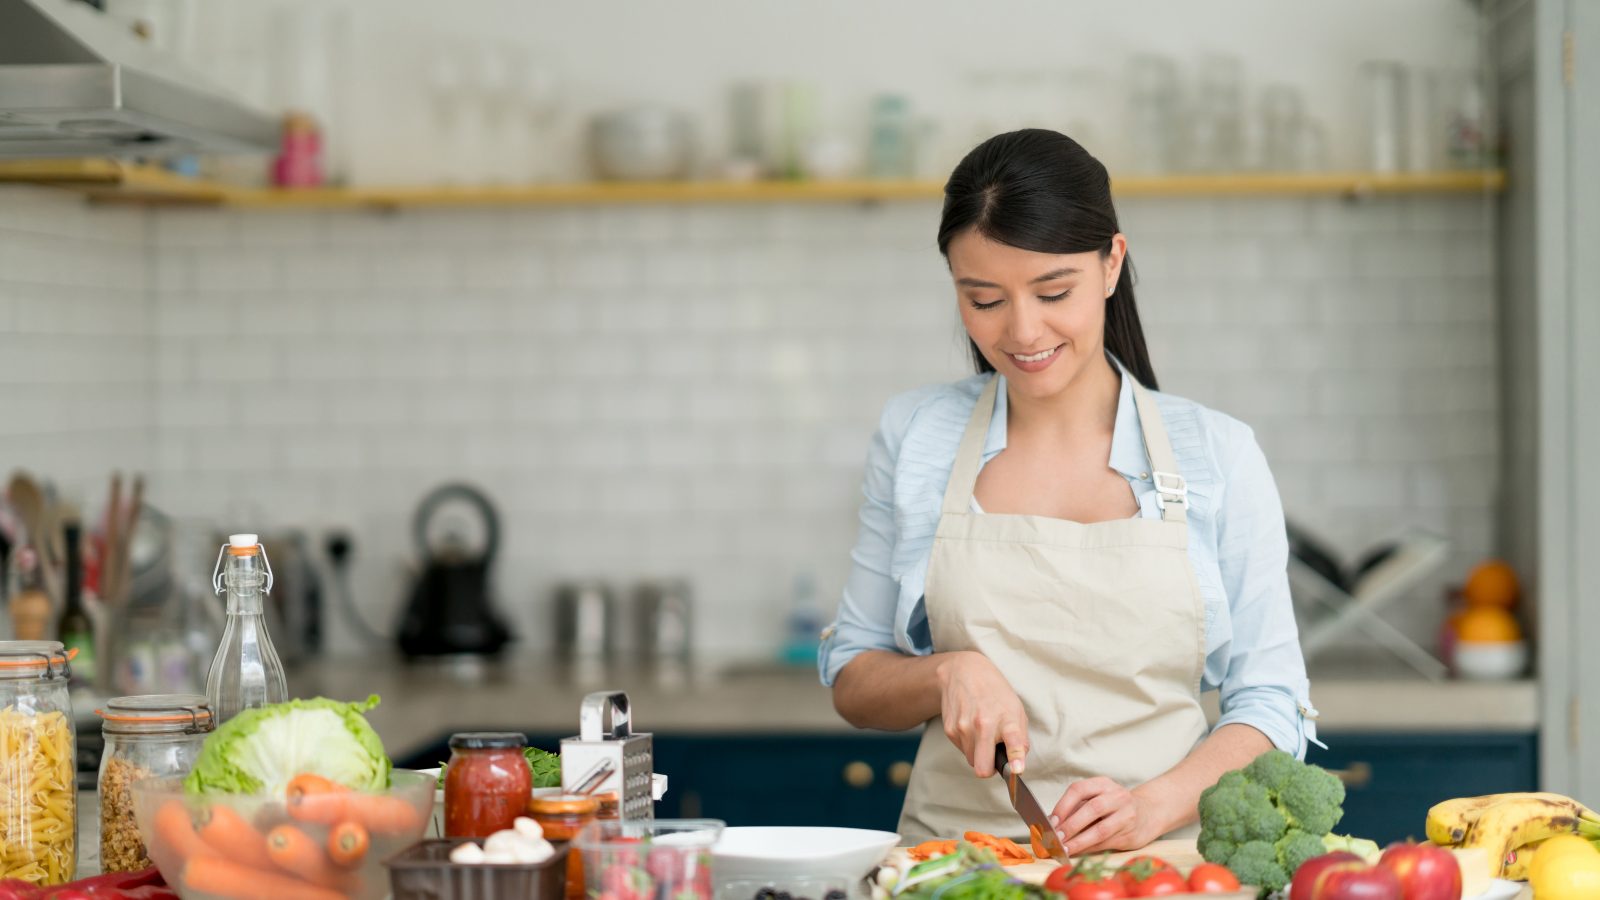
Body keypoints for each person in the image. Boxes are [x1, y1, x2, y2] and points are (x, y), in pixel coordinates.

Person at [818, 129, 1318, 853]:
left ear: (1112, 263)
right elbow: (855, 679)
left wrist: (1154, 806)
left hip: (1159, 868)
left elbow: (1273, 703)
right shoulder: (917, 435)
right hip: (960, 870)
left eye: (1054, 292)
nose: (1023, 331)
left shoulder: (1217, 454)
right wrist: (945, 673)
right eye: (983, 298)